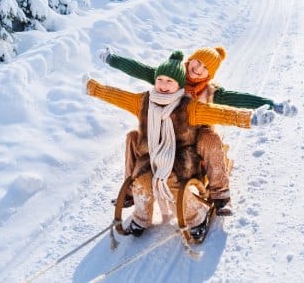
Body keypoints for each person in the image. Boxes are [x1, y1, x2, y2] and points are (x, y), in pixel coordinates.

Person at [85, 51, 275, 239]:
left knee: (177, 173)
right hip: (155, 151)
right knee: (141, 174)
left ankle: (204, 209)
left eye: (170, 81)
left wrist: (253, 117)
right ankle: (140, 214)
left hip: (186, 150)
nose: (164, 85)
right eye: (160, 80)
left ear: (180, 85)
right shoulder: (145, 100)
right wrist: (93, 85)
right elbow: (119, 92)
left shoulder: (193, 104)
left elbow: (222, 113)